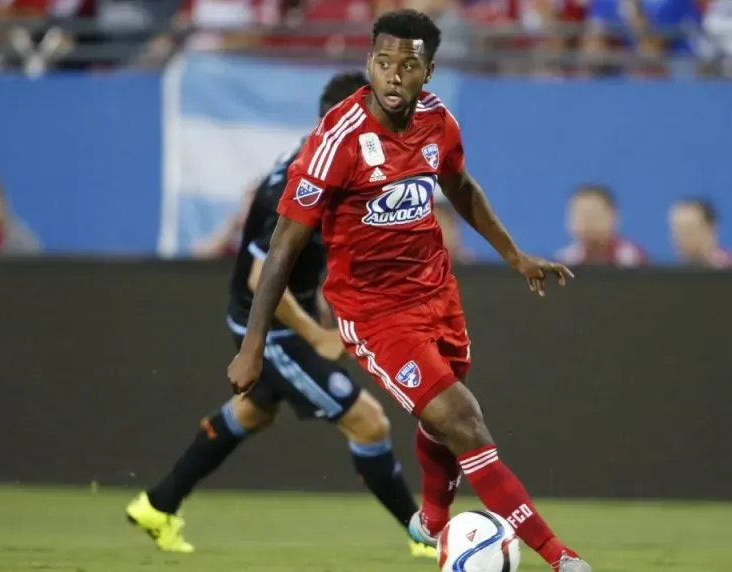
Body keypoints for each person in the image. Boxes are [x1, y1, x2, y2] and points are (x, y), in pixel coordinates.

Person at [227, 9, 592, 572]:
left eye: (408, 65)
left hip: (436, 292)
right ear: (369, 63)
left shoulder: (437, 121)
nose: (394, 76)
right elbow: (282, 248)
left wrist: (515, 256)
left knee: (438, 419)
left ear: (428, 71)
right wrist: (253, 344)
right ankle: (559, 556)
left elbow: (461, 186)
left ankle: (434, 521)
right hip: (374, 312)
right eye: (383, 62)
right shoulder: (338, 140)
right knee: (462, 418)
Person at [126, 70, 437, 560]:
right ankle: (422, 537)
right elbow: (260, 278)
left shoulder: (322, 159)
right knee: (369, 422)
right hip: (268, 327)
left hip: (271, 315)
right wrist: (318, 336)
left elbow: (318, 259)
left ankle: (158, 504)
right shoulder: (303, 183)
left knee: (252, 412)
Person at [668, 197, 732, 268]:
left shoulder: (731, 270)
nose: (679, 238)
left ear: (711, 230)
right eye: (677, 230)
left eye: (689, 231)